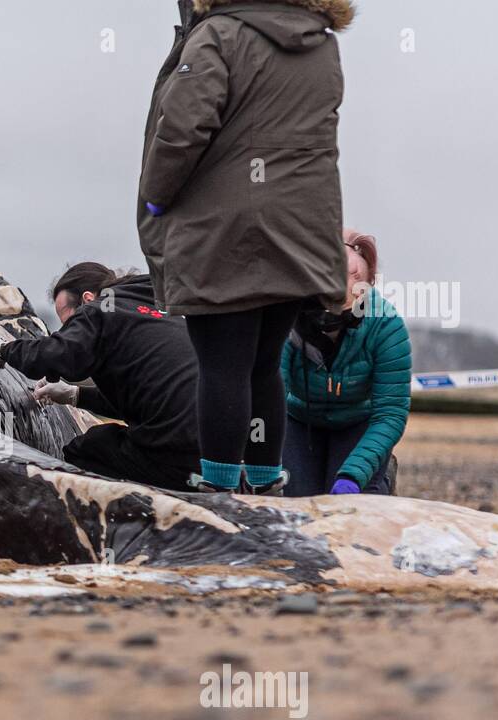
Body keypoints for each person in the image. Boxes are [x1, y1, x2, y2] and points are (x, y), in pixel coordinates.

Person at [136, 0, 354, 494]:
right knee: (263, 366)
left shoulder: (220, 35)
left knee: (221, 368)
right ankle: (262, 484)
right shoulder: (323, 43)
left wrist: (156, 197)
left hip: (223, 229)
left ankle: (218, 489)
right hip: (296, 228)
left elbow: (183, 129)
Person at [0, 263, 201, 491]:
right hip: (224, 451)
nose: (68, 331)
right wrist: (75, 395)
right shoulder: (154, 305)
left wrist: (4, 348)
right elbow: (151, 393)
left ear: (87, 298)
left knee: (87, 450)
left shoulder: (100, 308)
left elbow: (56, 354)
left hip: (176, 453)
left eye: (70, 323)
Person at [281, 230, 411, 496]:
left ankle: (380, 478)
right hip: (299, 420)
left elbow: (390, 414)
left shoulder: (388, 326)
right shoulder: (286, 319)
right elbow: (270, 390)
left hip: (357, 423)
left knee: (360, 500)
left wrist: (353, 475)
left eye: (357, 280)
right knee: (294, 497)